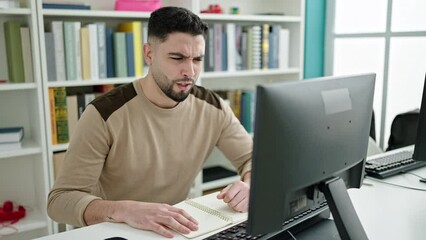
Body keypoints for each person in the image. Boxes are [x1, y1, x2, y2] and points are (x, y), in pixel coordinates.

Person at [47, 6, 253, 238]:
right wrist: (125, 209)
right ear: (149, 54)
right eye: (178, 58)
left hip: (175, 231)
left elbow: (253, 158)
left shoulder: (213, 106)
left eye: (197, 59)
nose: (190, 71)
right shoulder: (103, 113)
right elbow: (60, 200)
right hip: (115, 231)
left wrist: (249, 185)